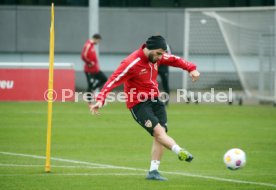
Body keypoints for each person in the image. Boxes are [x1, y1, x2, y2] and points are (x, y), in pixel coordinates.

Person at [89, 35, 200, 181]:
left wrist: (191, 68)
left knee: (161, 135)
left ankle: (153, 171)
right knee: (159, 133)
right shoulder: (131, 63)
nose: (161, 57)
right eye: (159, 53)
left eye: (162, 54)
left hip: (155, 99)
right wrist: (100, 99)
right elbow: (112, 80)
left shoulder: (158, 56)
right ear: (150, 49)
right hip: (138, 104)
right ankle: (180, 151)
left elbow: (174, 59)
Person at [81, 33, 107, 102]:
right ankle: (89, 101)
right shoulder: (88, 45)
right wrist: (89, 62)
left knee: (104, 79)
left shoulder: (92, 45)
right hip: (89, 70)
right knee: (90, 84)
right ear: (95, 39)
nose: (98, 42)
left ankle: (93, 89)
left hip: (95, 69)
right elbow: (83, 56)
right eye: (98, 41)